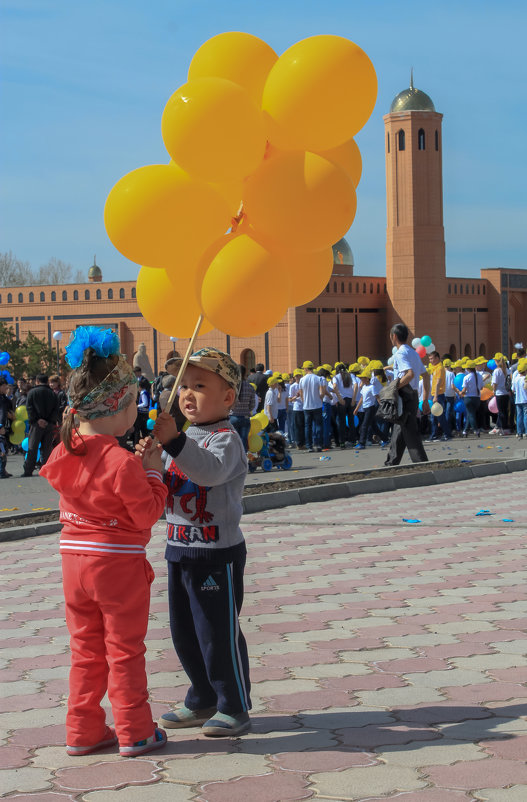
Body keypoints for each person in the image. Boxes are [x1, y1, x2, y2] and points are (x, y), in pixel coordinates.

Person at [40, 326, 168, 758]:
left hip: (73, 563)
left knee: (86, 650)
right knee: (124, 649)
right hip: (117, 568)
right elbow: (147, 514)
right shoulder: (120, 461)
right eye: (132, 402)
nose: (136, 409)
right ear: (116, 407)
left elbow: (94, 493)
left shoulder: (65, 450)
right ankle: (135, 729)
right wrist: (152, 472)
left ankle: (83, 729)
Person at [139, 347, 251, 737]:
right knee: (185, 632)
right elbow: (170, 486)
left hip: (216, 554)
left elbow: (207, 473)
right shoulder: (183, 437)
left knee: (217, 632)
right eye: (182, 385)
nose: (187, 393)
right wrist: (151, 464)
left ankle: (233, 704)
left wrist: (173, 444)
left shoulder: (226, 439)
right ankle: (202, 697)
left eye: (199, 386)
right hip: (180, 548)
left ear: (227, 397)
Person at [384, 323, 430, 466]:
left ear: (394, 336)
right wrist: (425, 399)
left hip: (405, 395)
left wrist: (393, 387)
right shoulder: (413, 353)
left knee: (409, 430)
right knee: (400, 427)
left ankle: (421, 462)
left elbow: (409, 375)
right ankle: (392, 461)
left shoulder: (400, 353)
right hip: (414, 394)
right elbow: (426, 375)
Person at [23, 374, 59, 477]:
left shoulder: (32, 392)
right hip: (49, 424)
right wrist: (49, 421)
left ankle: (28, 470)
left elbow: (29, 408)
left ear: (37, 381)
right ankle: (46, 470)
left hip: (36, 424)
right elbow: (56, 410)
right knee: (46, 448)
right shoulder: (52, 393)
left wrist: (37, 420)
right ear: (47, 381)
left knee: (32, 447)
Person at [353, 371, 386, 449]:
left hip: (371, 408)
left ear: (367, 378)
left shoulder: (372, 387)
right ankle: (385, 439)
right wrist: (356, 408)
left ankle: (362, 443)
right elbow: (362, 398)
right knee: (373, 426)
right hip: (365, 408)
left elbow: (377, 397)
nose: (361, 379)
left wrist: (382, 406)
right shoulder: (364, 387)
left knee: (364, 426)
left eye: (362, 378)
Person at [299, 360, 325, 452]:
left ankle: (309, 446)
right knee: (318, 425)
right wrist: (319, 399)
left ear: (306, 368)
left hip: (307, 406)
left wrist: (304, 401)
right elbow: (322, 393)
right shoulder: (319, 378)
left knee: (308, 427)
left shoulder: (302, 379)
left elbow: (301, 394)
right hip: (317, 405)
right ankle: (318, 445)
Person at [230, 364, 256, 451]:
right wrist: (247, 409)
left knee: (233, 440)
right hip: (245, 417)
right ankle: (243, 460)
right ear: (245, 374)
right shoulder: (250, 387)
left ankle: (234, 460)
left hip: (233, 416)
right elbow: (252, 404)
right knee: (243, 440)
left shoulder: (232, 387)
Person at [427, 351, 451, 441]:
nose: (430, 361)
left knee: (438, 417)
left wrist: (436, 396)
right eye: (429, 359)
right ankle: (440, 434)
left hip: (438, 395)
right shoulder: (435, 367)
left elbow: (438, 383)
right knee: (437, 417)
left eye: (432, 358)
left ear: (437, 358)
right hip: (435, 394)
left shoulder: (440, 368)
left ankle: (440, 434)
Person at [457, 359, 482, 437]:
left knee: (471, 414)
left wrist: (459, 392)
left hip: (468, 398)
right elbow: (481, 388)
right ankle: (465, 431)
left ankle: (476, 430)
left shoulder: (466, 377)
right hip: (477, 397)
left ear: (467, 369)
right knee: (470, 414)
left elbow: (464, 390)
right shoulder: (479, 376)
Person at [491, 354, 511, 435]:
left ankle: (502, 428)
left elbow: (495, 383)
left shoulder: (496, 371)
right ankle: (506, 428)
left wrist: (493, 391)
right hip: (506, 393)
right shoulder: (508, 370)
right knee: (505, 411)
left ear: (497, 361)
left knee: (501, 411)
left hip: (499, 393)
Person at [0, 377, 14, 477]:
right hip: (1, 427)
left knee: (4, 449)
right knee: (1, 450)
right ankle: (1, 471)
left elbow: (8, 409)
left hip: (5, 426)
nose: (6, 388)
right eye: (4, 386)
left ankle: (3, 469)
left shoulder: (4, 398)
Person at [512, 358, 527, 439]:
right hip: (525, 399)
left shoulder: (516, 378)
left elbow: (513, 389)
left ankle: (519, 432)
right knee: (526, 416)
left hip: (517, 399)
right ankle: (526, 431)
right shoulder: (525, 379)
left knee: (519, 416)